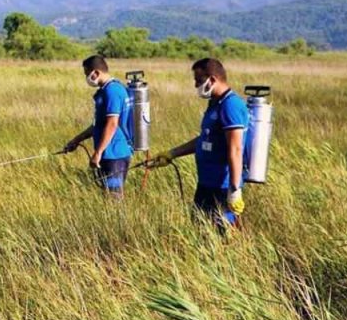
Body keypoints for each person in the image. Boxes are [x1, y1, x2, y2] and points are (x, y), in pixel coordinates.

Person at [145, 58, 249, 226]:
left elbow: (236, 149)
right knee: (200, 229)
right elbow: (204, 139)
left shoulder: (231, 105)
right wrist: (171, 154)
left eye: (199, 80)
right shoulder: (215, 103)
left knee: (220, 234)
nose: (195, 85)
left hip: (222, 187)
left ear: (213, 80)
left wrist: (234, 189)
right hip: (206, 183)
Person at [61, 55, 134, 195]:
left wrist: (98, 152)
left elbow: (112, 124)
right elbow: (99, 124)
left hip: (114, 154)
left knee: (114, 197)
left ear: (95, 73)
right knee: (107, 195)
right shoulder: (106, 90)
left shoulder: (112, 91)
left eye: (87, 74)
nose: (87, 78)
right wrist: (76, 140)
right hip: (109, 153)